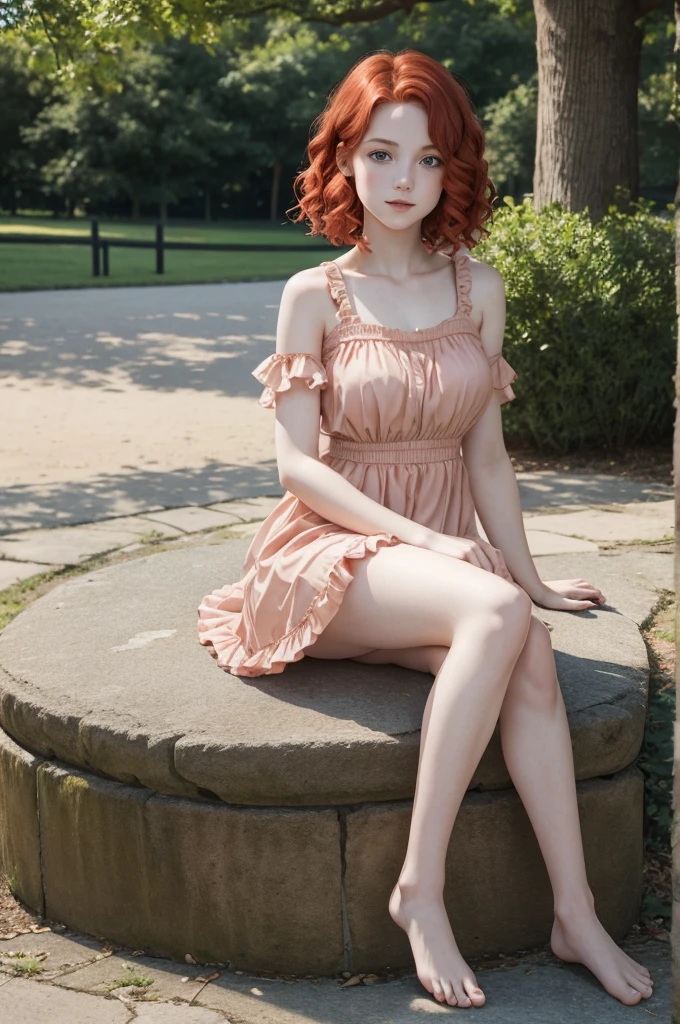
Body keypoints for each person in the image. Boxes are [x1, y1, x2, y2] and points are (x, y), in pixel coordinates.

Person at [197, 48, 654, 1010]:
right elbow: (296, 465)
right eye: (382, 154)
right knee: (493, 614)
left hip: (446, 561)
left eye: (430, 159)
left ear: (454, 168)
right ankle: (420, 889)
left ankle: (574, 912)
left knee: (520, 636)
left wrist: (531, 577)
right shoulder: (313, 295)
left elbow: (486, 459)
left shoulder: (475, 290)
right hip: (333, 547)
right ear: (345, 161)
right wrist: (433, 542)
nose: (405, 181)